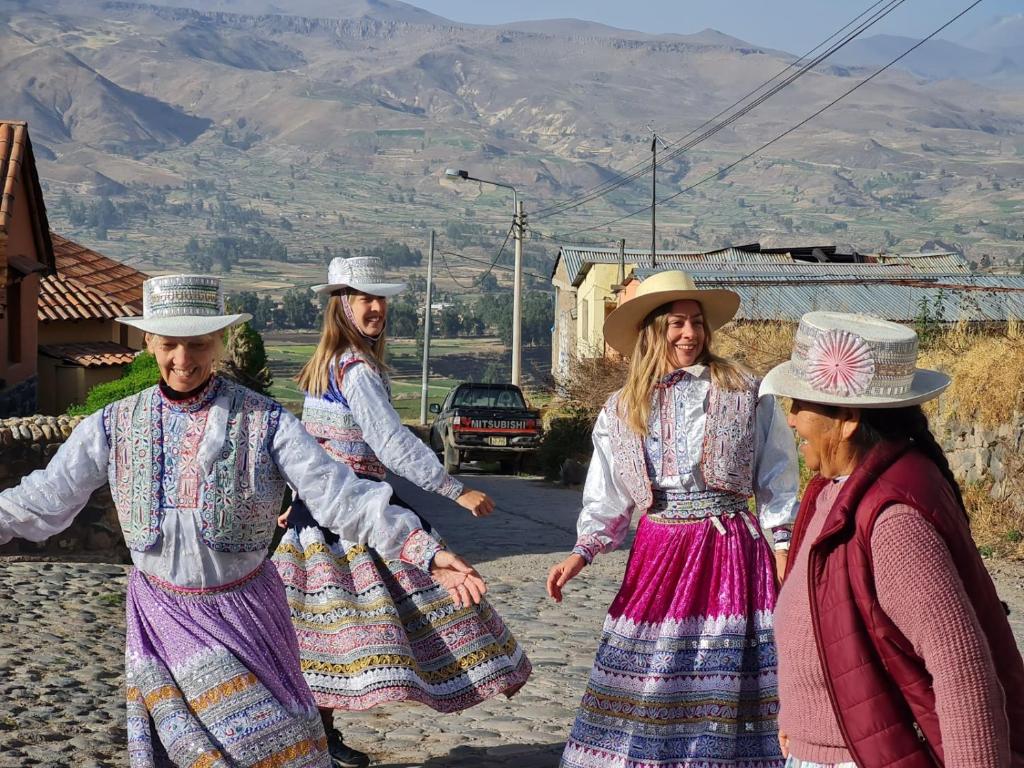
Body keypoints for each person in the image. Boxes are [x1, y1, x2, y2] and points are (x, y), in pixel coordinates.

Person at [0, 274, 487, 768]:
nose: (183, 361)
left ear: (220, 342)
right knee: (181, 752)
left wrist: (423, 548)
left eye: (198, 344)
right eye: (169, 344)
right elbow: (46, 495)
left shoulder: (267, 421)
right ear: (148, 342)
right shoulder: (113, 424)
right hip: (161, 616)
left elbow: (339, 496)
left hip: (245, 616)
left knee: (269, 747)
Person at [272, 256, 532, 767]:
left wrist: (294, 500)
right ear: (341, 305)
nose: (376, 308)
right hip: (350, 513)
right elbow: (388, 443)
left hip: (322, 512)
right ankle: (321, 737)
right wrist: (454, 490)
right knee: (347, 626)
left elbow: (308, 446)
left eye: (380, 298)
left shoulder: (327, 366)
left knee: (322, 630)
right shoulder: (355, 369)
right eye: (364, 298)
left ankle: (321, 736)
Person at [547, 270, 799, 768]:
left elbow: (777, 474)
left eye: (697, 323)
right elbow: (608, 494)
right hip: (659, 551)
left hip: (729, 548)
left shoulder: (745, 390)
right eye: (677, 323)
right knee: (652, 667)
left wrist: (783, 546)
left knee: (724, 663)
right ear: (653, 329)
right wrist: (583, 552)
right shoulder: (622, 408)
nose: (690, 334)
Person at [760, 311, 1024, 768]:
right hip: (831, 749)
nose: (793, 417)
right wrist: (797, 717)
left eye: (802, 404)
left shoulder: (894, 522)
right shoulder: (835, 491)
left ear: (845, 419)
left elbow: (962, 668)